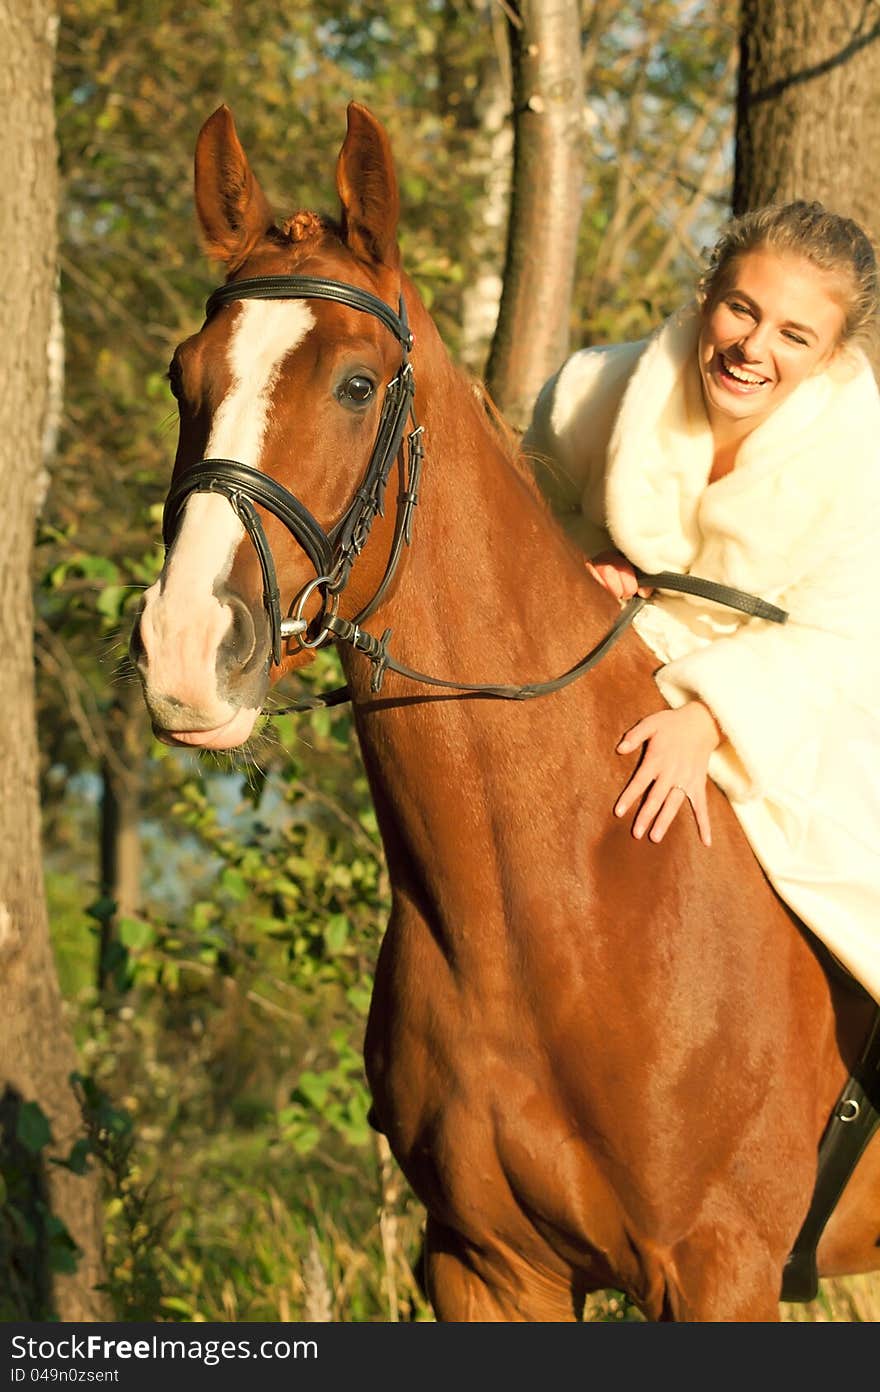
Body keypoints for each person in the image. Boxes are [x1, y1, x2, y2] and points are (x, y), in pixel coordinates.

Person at [523, 200, 880, 1005]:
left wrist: (708, 718)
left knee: (855, 894)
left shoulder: (863, 464)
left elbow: (844, 644)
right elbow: (523, 527)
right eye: (741, 310)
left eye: (795, 335)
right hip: (593, 651)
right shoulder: (590, 393)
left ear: (828, 357)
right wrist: (584, 556)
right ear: (707, 292)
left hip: (780, 702)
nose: (753, 349)